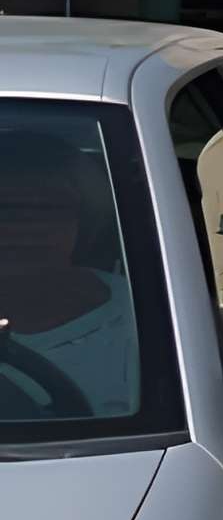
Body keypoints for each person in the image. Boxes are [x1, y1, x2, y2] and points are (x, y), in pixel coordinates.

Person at [0, 125, 138, 419]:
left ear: (86, 220)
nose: (24, 230)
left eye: (47, 209)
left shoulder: (148, 320)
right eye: (4, 209)